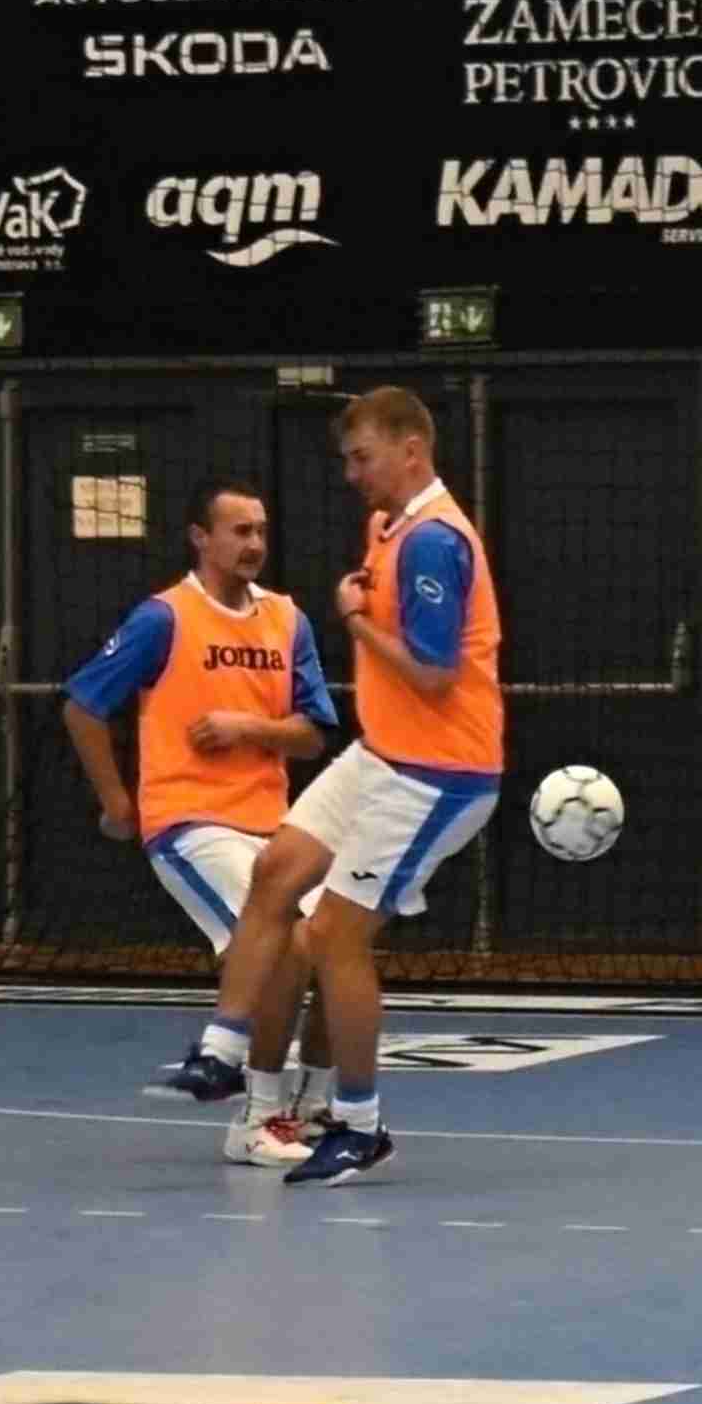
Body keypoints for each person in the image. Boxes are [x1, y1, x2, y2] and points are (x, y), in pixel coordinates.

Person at [239, 387, 500, 1190]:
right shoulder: (386, 526)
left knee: (334, 937)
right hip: (380, 754)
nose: (351, 473)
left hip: (437, 771)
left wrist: (352, 621)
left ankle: (358, 1125)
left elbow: (434, 675)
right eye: (347, 459)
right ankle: (242, 1070)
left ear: (411, 450)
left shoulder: (433, 541)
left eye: (363, 457)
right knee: (276, 872)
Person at [65, 481, 340, 1166]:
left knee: (339, 945)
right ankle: (257, 1119)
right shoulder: (164, 618)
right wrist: (117, 802)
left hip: (275, 823)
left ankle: (314, 1109)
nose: (254, 544)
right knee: (285, 948)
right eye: (239, 531)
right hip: (192, 822)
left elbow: (313, 734)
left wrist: (248, 727)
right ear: (200, 538)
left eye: (260, 531)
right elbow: (82, 705)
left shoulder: (287, 620)